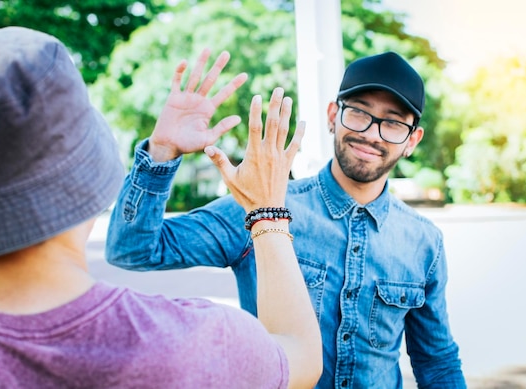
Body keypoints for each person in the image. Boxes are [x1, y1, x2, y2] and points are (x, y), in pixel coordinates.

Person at [0, 26, 323, 388]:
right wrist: (267, 210)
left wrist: (161, 154)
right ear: (87, 176)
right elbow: (302, 357)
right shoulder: (193, 343)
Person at [107, 50, 467, 388]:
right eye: (359, 112)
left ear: (412, 139)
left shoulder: (424, 242)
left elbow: (436, 361)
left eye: (392, 123)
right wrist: (162, 151)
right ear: (332, 115)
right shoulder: (261, 204)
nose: (371, 133)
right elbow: (133, 248)